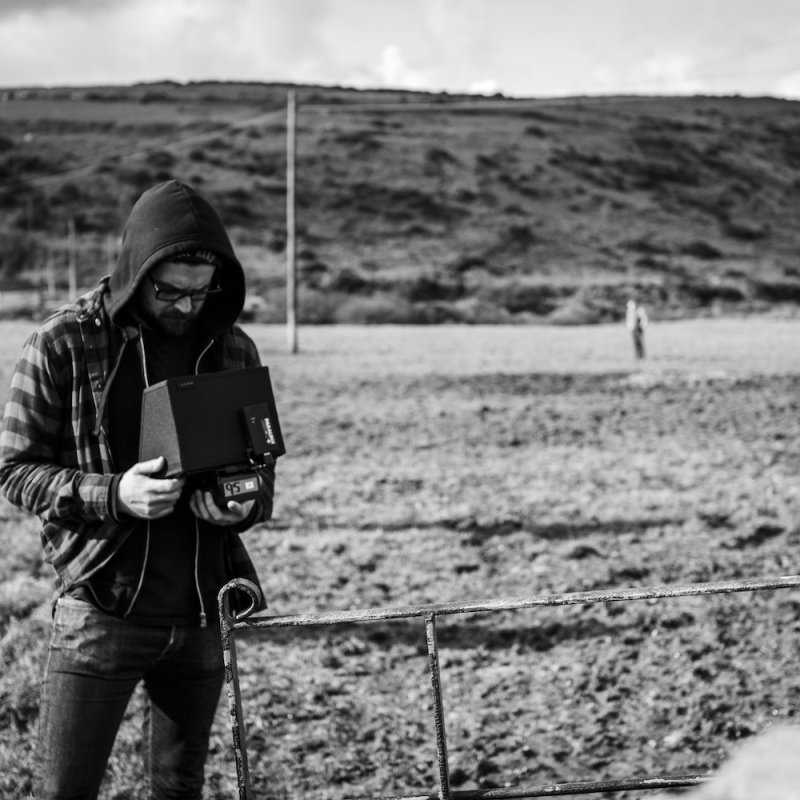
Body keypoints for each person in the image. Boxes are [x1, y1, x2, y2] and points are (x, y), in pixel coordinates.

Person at [0, 179, 276, 799]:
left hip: (204, 612)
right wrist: (114, 495)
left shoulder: (233, 345)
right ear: (135, 270)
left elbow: (261, 471)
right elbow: (14, 470)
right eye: (170, 291)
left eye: (201, 293)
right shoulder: (62, 342)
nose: (185, 307)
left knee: (179, 790)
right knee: (63, 791)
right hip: (100, 609)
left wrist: (240, 501)